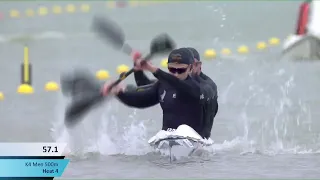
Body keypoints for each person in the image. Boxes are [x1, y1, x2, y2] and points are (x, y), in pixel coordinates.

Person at [102, 48, 214, 137]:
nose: (175, 73)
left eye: (180, 70)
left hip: (198, 143)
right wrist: (119, 93)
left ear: (192, 67)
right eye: (172, 69)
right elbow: (142, 98)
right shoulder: (163, 84)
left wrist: (154, 70)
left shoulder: (205, 87)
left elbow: (184, 88)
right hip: (167, 138)